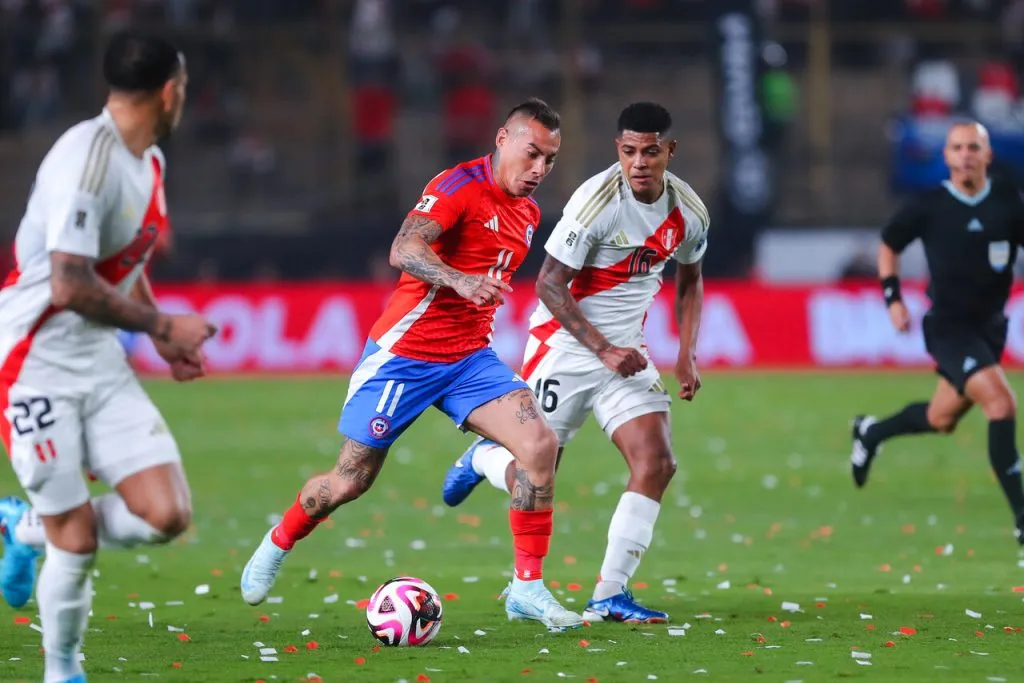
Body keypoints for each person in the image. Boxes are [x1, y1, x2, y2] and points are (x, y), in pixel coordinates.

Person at [240, 98, 584, 631]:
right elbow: (404, 249)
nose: (539, 170)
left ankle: (527, 588)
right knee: (350, 481)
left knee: (541, 446)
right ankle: (278, 540)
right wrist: (460, 280)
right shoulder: (456, 186)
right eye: (532, 154)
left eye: (550, 161)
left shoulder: (529, 213)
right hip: (404, 358)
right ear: (503, 139)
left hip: (469, 359)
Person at [0, 31, 216, 683]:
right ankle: (62, 669)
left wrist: (155, 336)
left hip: (97, 358)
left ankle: (21, 527)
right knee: (79, 539)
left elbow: (124, 263)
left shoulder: (149, 159)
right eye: (184, 89)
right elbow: (68, 281)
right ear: (171, 90)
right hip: (35, 360)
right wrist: (160, 321)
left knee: (167, 514)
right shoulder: (86, 160)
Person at [442, 102, 710, 623]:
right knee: (535, 475)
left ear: (669, 152)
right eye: (629, 151)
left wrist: (686, 354)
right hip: (564, 349)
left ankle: (610, 593)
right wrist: (602, 348)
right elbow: (548, 283)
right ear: (619, 149)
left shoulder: (690, 212)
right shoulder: (596, 202)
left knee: (656, 463)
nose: (638, 162)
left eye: (650, 152)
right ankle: (483, 459)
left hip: (626, 356)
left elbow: (691, 278)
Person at [851, 121, 1024, 546]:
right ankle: (1022, 517)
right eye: (957, 147)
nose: (965, 154)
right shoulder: (929, 205)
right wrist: (893, 298)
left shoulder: (1008, 201)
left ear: (987, 155)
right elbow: (890, 244)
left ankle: (870, 431)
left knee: (940, 418)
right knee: (1001, 404)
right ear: (946, 157)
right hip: (948, 328)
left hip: (990, 329)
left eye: (973, 147)